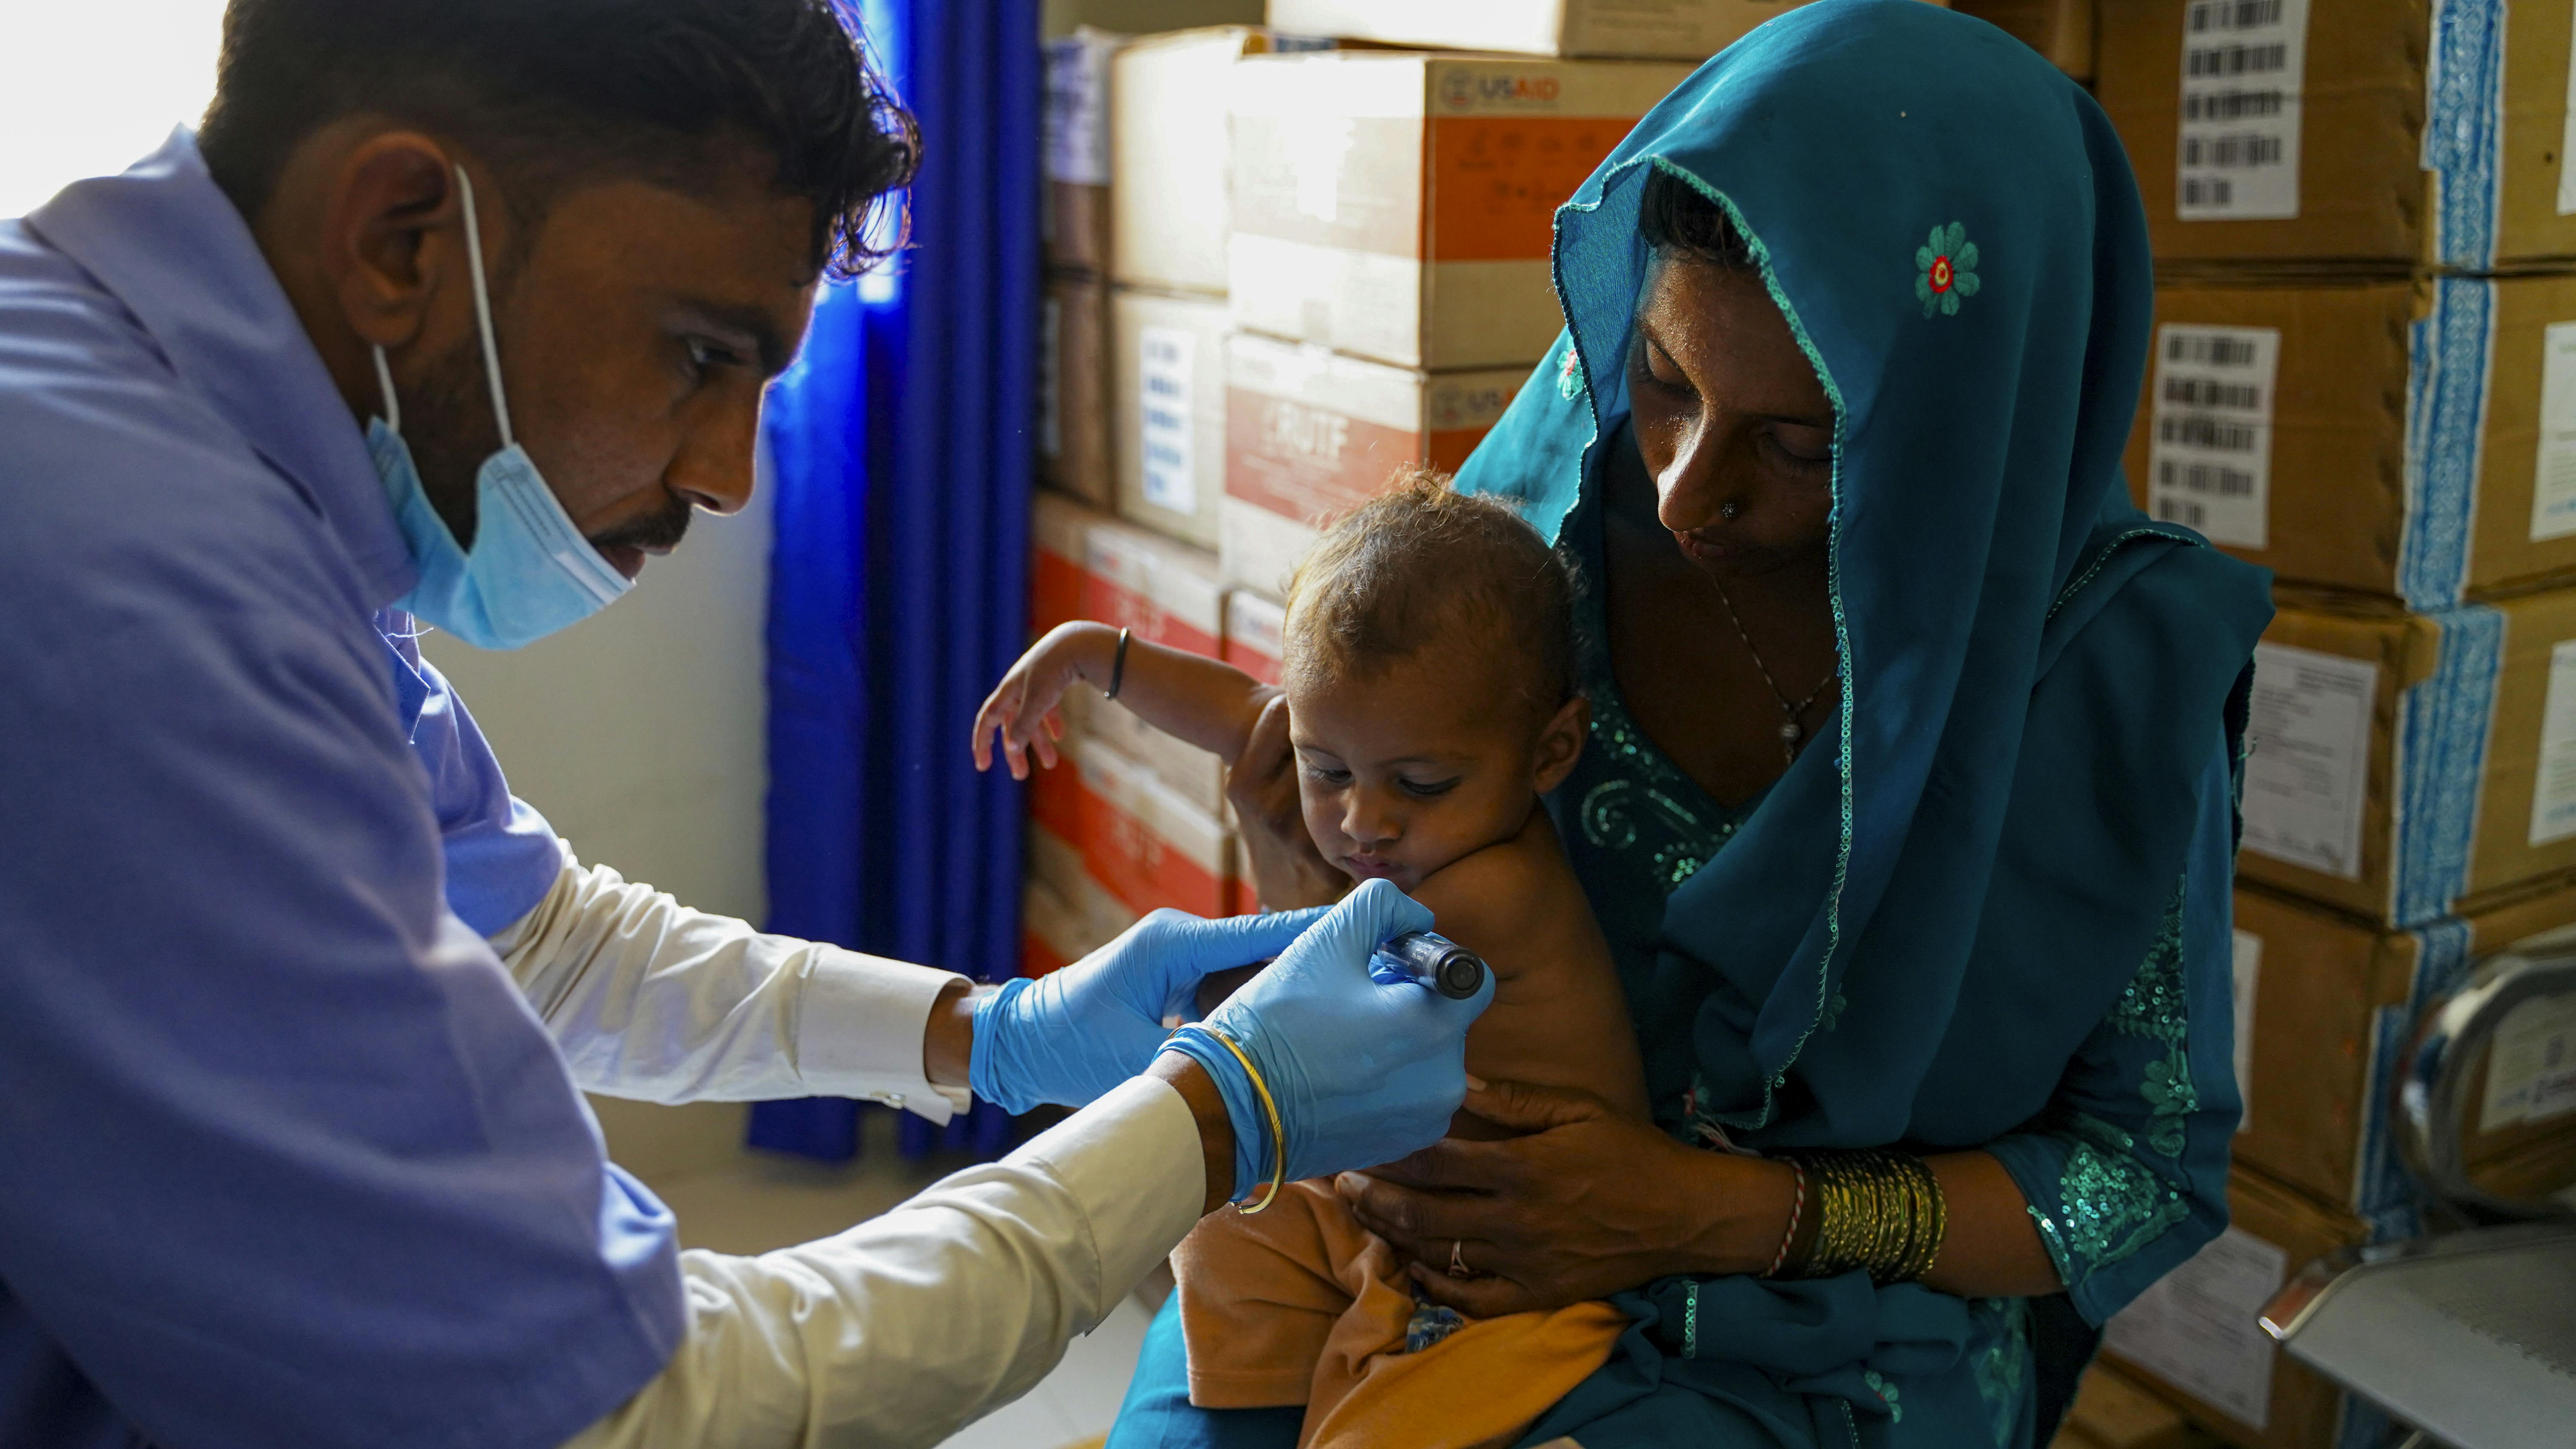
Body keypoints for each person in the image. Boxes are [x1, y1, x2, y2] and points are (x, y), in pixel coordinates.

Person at [0, 3, 1491, 1448]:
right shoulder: (129, 606)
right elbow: (618, 1413)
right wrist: (1214, 1122)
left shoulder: (193, 432)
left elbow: (540, 940)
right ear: (403, 233)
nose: (726, 477)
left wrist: (992, 1034)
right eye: (700, 354)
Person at [1111, 3, 2274, 1446]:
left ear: (1971, 414)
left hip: (1811, 1320)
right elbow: (1371, 890)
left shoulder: (2107, 675)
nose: (1684, 491)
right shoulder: (1530, 543)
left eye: (1798, 444)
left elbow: (2133, 1176)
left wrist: (1711, 1210)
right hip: (1403, 1240)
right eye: (1665, 381)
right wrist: (1317, 874)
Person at [976, 479, 1647, 1447]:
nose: (1361, 821)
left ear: (1550, 752)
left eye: (1419, 785)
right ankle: (1257, 1394)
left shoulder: (1500, 890)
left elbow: (1294, 988)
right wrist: (1093, 655)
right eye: (1324, 770)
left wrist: (1200, 994)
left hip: (1516, 1264)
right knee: (1226, 1217)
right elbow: (1240, 712)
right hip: (1385, 1201)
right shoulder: (1367, 744)